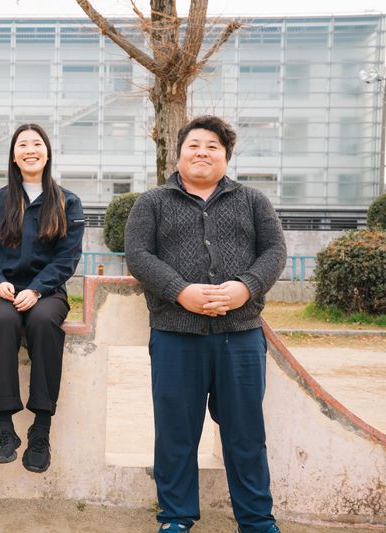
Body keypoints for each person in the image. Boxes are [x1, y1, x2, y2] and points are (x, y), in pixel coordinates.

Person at [124, 115, 286, 533]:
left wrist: (246, 287)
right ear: (178, 154)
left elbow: (274, 252)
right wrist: (180, 291)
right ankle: (176, 517)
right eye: (193, 145)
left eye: (212, 146)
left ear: (226, 156)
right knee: (176, 432)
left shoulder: (253, 201)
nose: (202, 152)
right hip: (175, 334)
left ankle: (256, 520)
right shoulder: (152, 202)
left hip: (241, 335)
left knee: (245, 432)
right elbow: (138, 255)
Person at [0, 123, 85, 473]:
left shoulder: (67, 202)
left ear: (47, 153)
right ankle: (5, 427)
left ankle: (41, 428)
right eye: (23, 144)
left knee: (44, 321)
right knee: (3, 320)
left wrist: (36, 289)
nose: (30, 149)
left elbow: (67, 258)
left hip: (47, 291)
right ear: (13, 156)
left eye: (37, 144)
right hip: (2, 291)